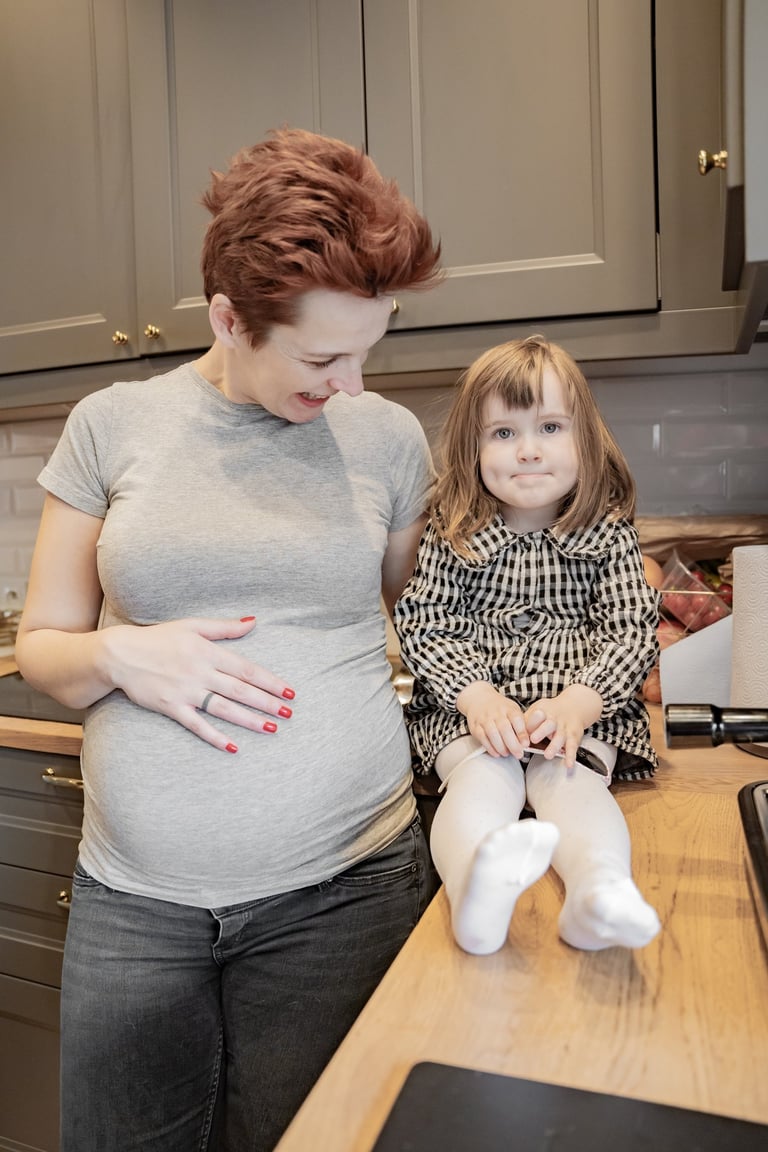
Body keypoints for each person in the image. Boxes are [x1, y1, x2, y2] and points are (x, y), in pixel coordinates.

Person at [15, 128, 442, 1152]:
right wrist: (120, 654)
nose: (352, 384)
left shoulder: (387, 440)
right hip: (135, 905)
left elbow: (426, 620)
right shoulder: (112, 424)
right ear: (228, 319)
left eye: (369, 349)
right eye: (322, 357)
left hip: (347, 890)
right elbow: (42, 646)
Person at [394, 336, 662, 957]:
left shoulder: (609, 536)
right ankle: (474, 892)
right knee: (479, 780)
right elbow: (426, 623)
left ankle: (599, 891)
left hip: (576, 714)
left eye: (549, 427)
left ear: (585, 438)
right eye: (503, 433)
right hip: (473, 716)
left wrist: (580, 703)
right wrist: (476, 697)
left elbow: (630, 630)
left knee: (571, 781)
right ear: (472, 449)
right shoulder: (454, 535)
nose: (529, 450)